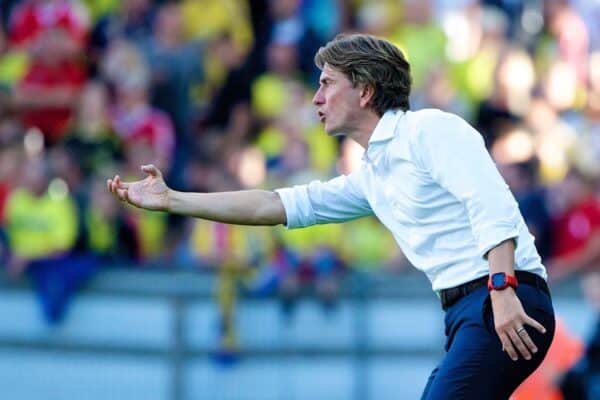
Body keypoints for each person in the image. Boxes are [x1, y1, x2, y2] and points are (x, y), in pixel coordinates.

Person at [107, 33, 555, 399]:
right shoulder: (373, 173)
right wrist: (174, 200)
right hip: (471, 312)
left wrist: (501, 289)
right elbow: (272, 205)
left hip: (505, 296)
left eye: (326, 83)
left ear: (364, 90)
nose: (316, 98)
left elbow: (492, 206)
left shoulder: (431, 130)